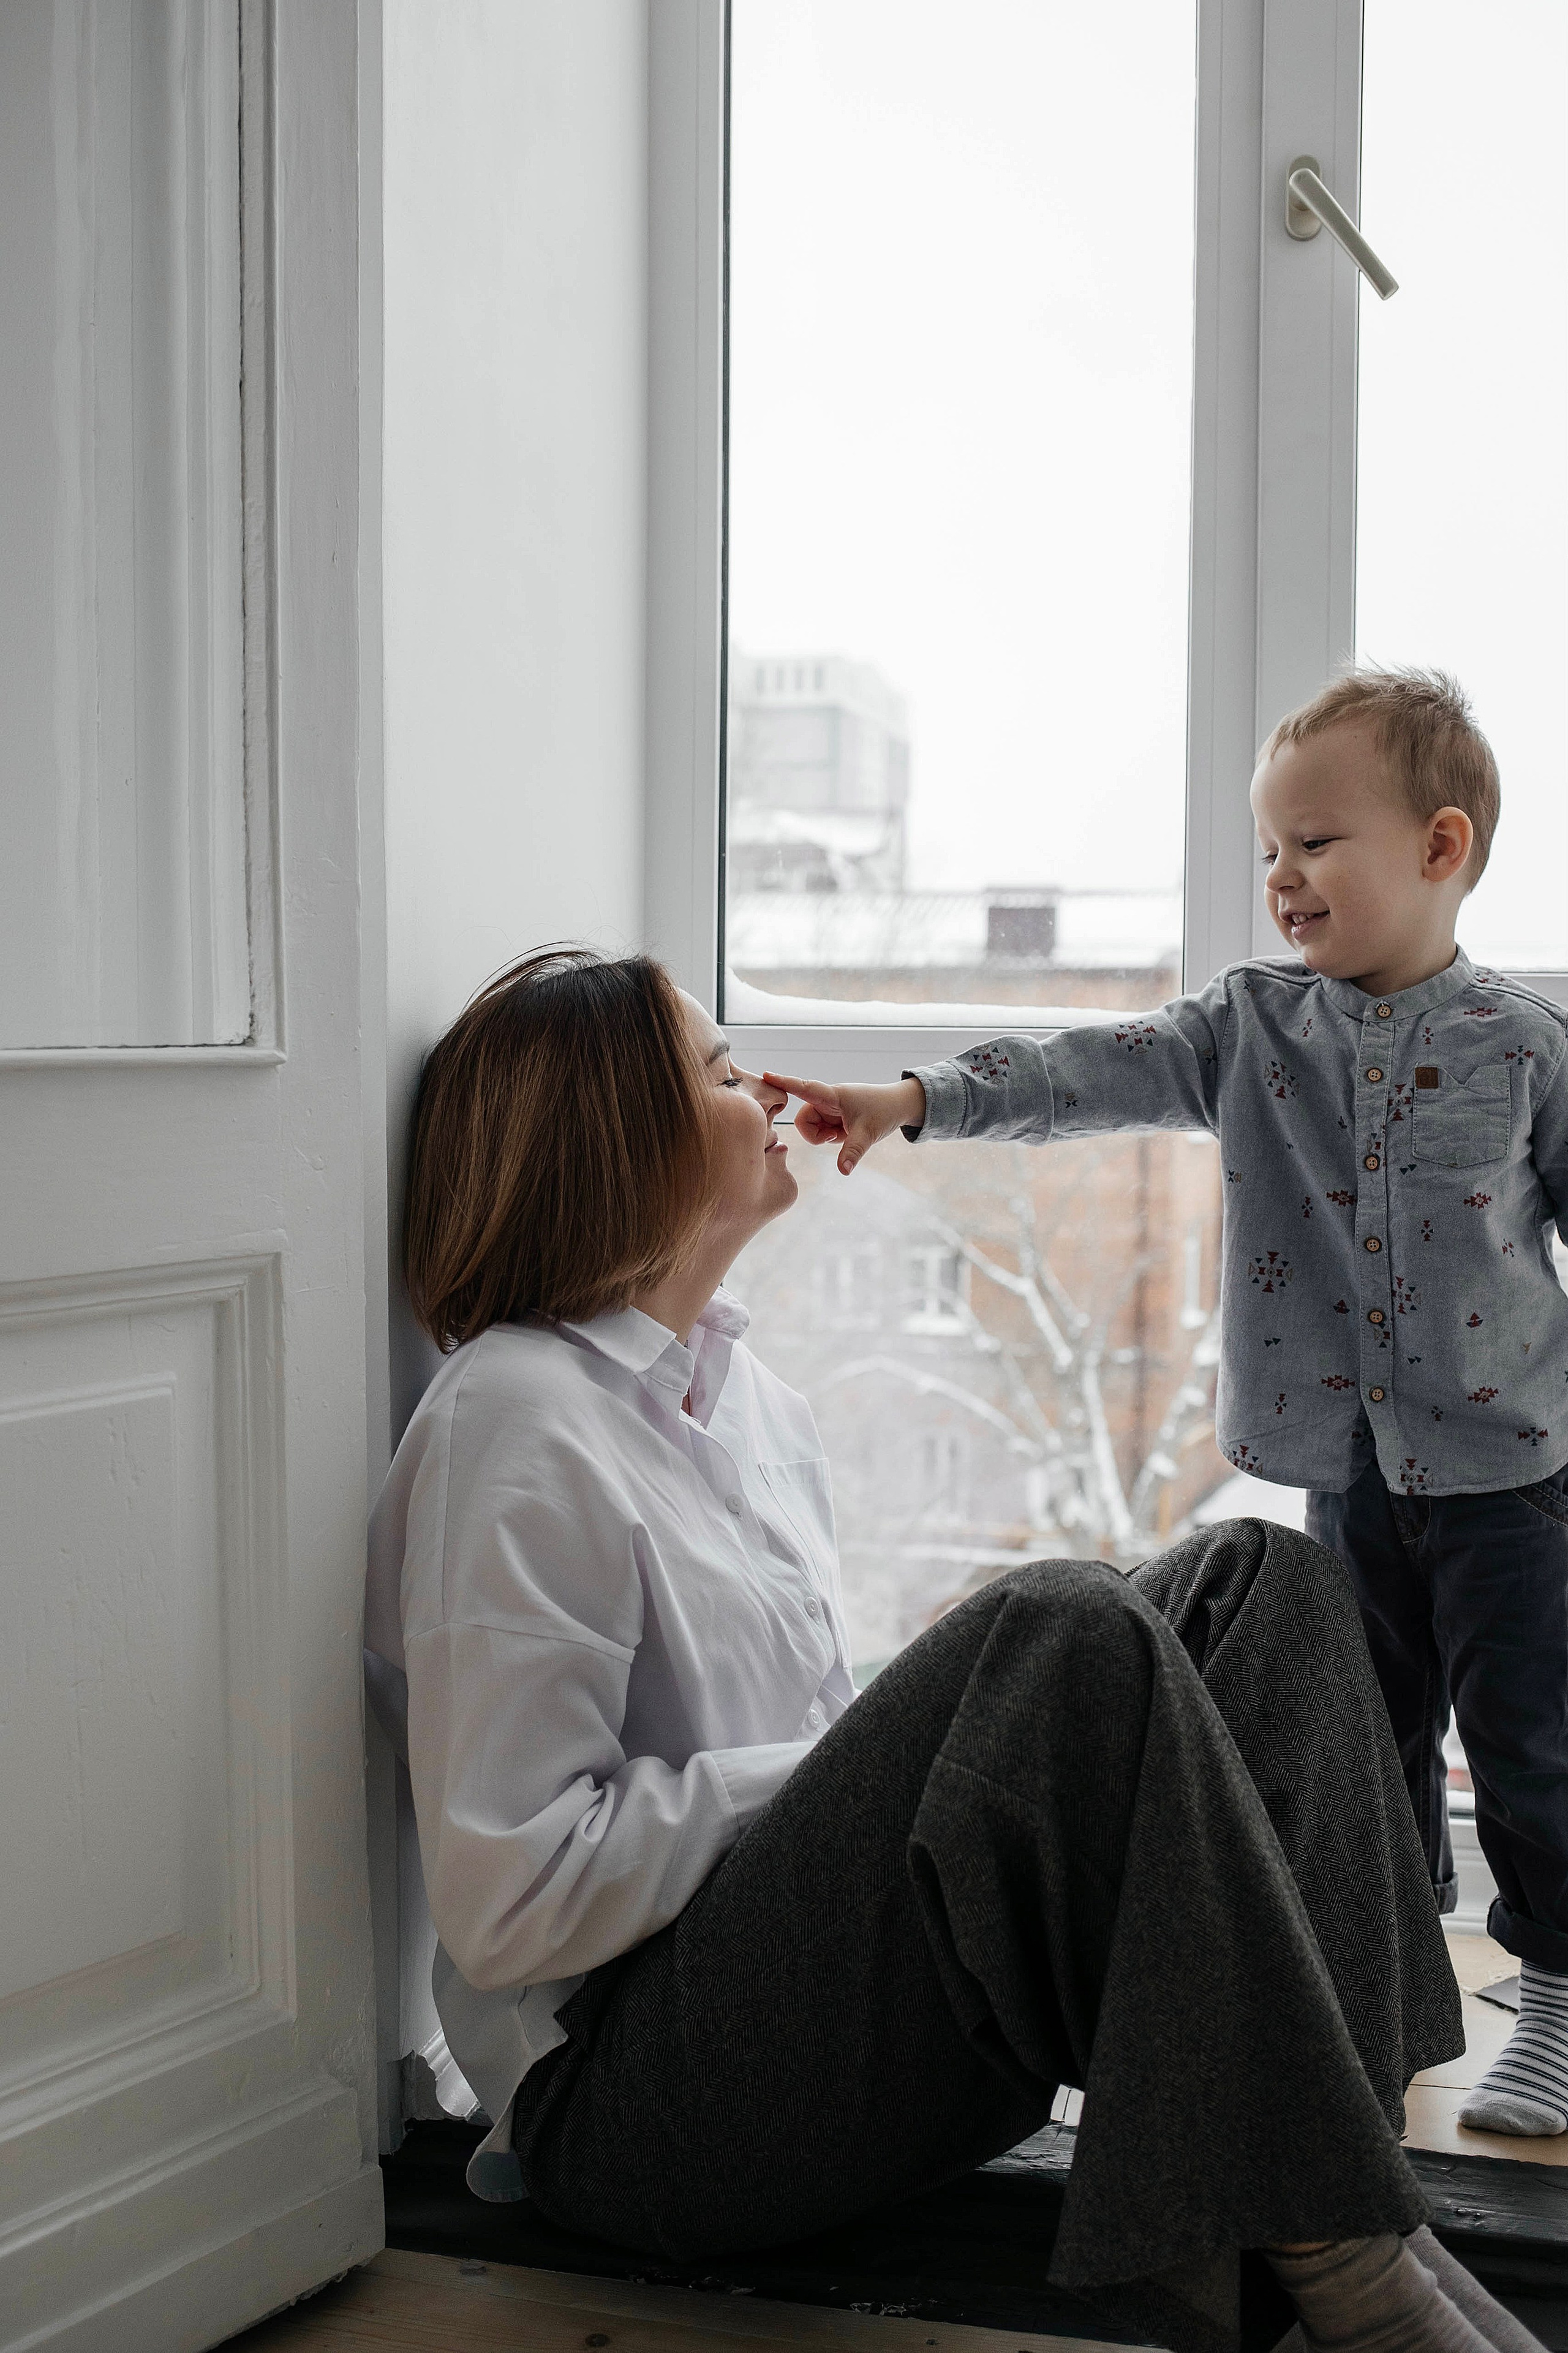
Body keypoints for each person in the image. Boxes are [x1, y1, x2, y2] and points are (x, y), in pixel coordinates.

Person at [365, 945, 1532, 2353]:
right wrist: (851, 1760)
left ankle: (1340, 2221)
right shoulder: (516, 1416)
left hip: (859, 2053)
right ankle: (1344, 2279)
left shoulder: (749, 1407)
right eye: (721, 1073)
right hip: (637, 2112)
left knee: (1265, 1580)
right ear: (621, 1137)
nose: (761, 1092)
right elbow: (512, 1903)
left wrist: (894, 1757)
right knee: (1055, 1628)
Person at [773, 668, 1568, 2145]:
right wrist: (915, 1100)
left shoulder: (1525, 1048)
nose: (1280, 877)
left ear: (1439, 847)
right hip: (1342, 1474)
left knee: (1527, 1743)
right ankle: (1385, 1993)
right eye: (1268, 848)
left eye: (1315, 843)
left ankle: (1561, 2006)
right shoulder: (1249, 1031)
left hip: (1509, 1475)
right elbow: (1082, 1071)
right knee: (1363, 1741)